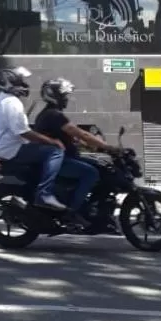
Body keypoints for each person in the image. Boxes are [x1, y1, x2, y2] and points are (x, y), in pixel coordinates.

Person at [34, 78, 118, 220]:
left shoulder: (51, 114)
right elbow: (80, 133)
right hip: (59, 160)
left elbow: (71, 138)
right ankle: (73, 212)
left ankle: (92, 205)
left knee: (99, 165)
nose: (67, 99)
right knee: (91, 173)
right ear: (55, 96)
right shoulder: (53, 115)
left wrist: (90, 146)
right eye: (65, 96)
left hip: (66, 157)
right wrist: (107, 146)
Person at [0, 67, 67, 212]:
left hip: (7, 147)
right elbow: (23, 132)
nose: (25, 85)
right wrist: (51, 141)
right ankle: (44, 194)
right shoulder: (12, 103)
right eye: (21, 81)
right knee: (55, 151)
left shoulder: (1, 99)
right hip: (13, 149)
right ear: (11, 83)